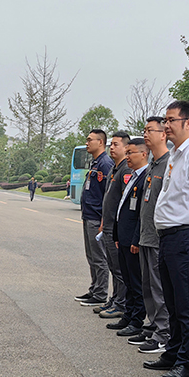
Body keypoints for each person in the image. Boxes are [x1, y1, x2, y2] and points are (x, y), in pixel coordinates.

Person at [144, 101, 189, 377]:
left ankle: (187, 362)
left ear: (188, 123)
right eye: (165, 120)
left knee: (186, 303)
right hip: (169, 236)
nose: (166, 125)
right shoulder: (175, 155)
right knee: (172, 300)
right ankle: (173, 352)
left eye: (171, 120)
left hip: (187, 235)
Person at [128, 117, 172, 355]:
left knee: (158, 287)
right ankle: (155, 324)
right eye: (144, 130)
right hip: (146, 235)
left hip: (158, 237)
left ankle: (164, 332)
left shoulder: (169, 164)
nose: (145, 134)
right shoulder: (153, 165)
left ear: (163, 133)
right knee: (148, 286)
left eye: (150, 130)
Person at [112, 138, 151, 338]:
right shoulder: (133, 176)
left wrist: (136, 239)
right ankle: (128, 315)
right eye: (126, 153)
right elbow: (124, 208)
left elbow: (142, 214)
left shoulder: (146, 177)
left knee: (136, 283)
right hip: (124, 238)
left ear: (144, 154)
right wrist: (117, 234)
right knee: (128, 280)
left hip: (134, 240)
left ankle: (137, 320)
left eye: (131, 153)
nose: (127, 157)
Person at [75, 130, 113, 307]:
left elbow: (108, 194)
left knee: (99, 257)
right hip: (88, 215)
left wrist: (104, 221)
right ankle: (94, 288)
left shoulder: (105, 164)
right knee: (91, 256)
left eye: (90, 140)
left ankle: (100, 293)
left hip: (97, 218)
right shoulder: (96, 163)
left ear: (101, 142)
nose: (87, 142)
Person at [98, 132, 132, 322]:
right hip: (108, 225)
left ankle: (121, 304)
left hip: (117, 228)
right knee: (112, 265)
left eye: (116, 144)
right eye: (111, 144)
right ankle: (115, 299)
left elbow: (123, 201)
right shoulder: (114, 170)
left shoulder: (126, 170)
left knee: (119, 269)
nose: (111, 147)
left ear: (126, 148)